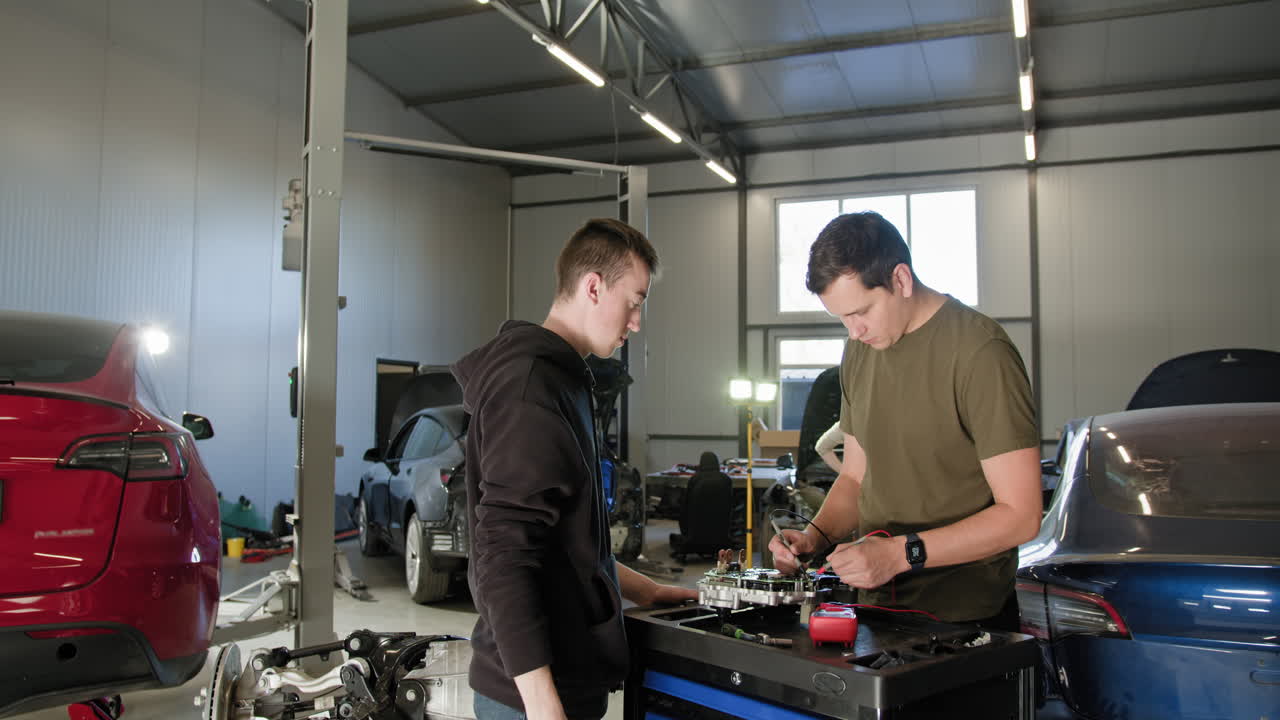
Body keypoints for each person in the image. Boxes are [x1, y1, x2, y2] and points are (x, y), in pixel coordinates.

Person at [451, 218, 697, 720]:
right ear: (593, 287)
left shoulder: (563, 380)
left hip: (563, 682)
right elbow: (504, 556)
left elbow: (567, 543)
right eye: (634, 302)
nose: (636, 322)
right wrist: (544, 706)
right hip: (533, 697)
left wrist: (644, 589)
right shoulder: (530, 389)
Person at [768, 212, 1041, 630]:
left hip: (964, 618)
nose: (854, 331)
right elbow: (855, 478)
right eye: (842, 318)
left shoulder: (980, 353)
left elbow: (1021, 515)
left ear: (901, 279)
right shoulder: (860, 351)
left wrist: (899, 555)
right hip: (876, 606)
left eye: (861, 311)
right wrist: (813, 538)